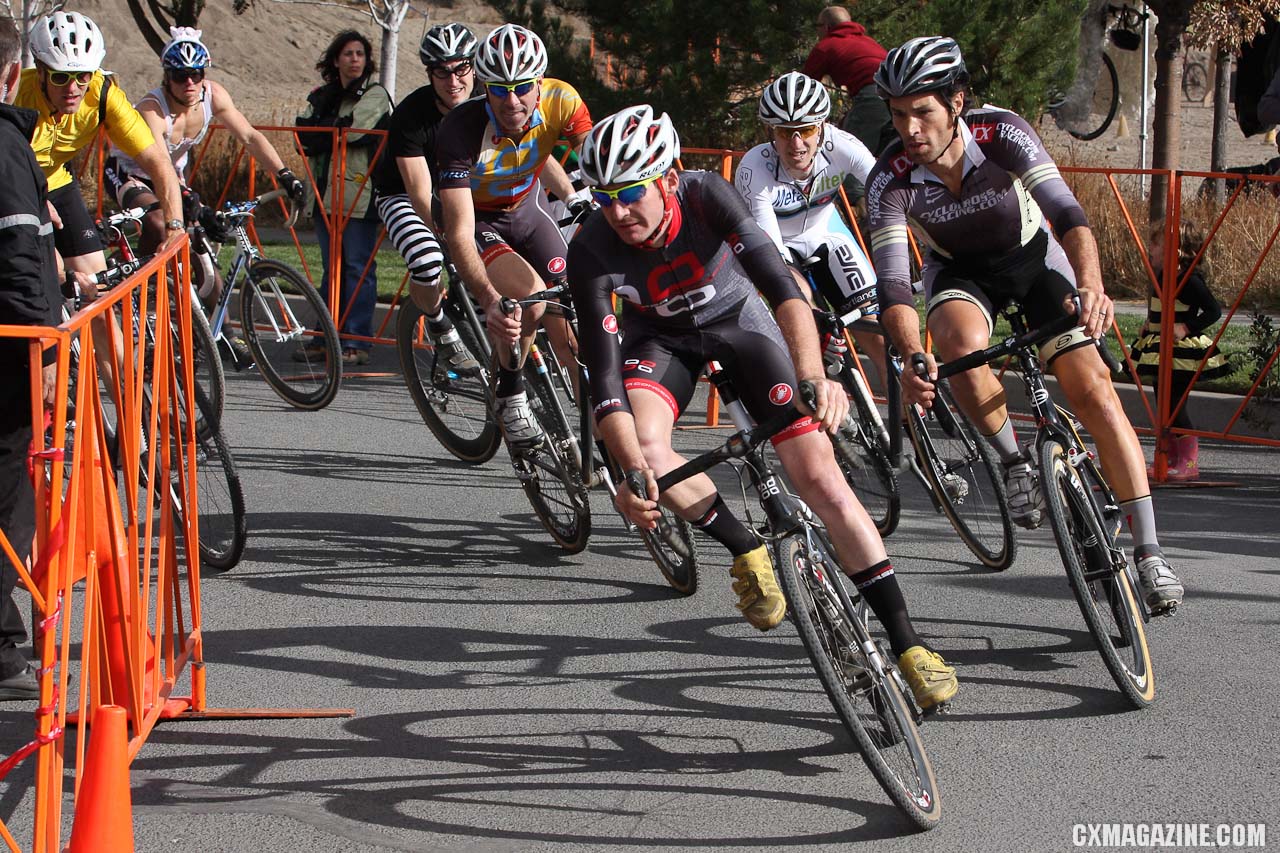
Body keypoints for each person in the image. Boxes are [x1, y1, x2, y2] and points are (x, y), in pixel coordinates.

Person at [568, 105, 959, 711]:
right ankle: (745, 545)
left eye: (630, 193)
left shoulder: (706, 196)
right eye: (604, 197)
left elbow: (782, 290)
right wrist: (633, 475)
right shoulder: (592, 247)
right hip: (662, 341)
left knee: (820, 478)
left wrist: (814, 377)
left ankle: (909, 645)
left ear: (669, 177)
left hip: (740, 324)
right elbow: (606, 381)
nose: (617, 212)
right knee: (647, 450)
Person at [866, 36, 1184, 614]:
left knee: (1092, 389)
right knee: (958, 347)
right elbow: (892, 286)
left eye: (923, 111)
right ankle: (1014, 462)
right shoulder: (889, 178)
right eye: (898, 114)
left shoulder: (1002, 133)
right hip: (962, 276)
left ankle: (1149, 552)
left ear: (956, 101)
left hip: (1035, 260)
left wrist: (1092, 286)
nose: (910, 129)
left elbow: (1067, 214)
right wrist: (914, 353)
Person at [436, 23, 594, 447]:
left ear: (539, 83)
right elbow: (460, 232)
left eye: (523, 87)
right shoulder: (459, 130)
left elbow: (602, 162)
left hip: (527, 211)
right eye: (499, 89)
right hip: (480, 220)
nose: (511, 101)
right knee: (530, 298)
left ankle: (602, 432)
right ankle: (509, 389)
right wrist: (489, 299)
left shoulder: (563, 100)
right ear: (483, 87)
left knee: (570, 312)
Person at [103, 27, 306, 311]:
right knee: (159, 222)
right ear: (166, 77)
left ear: (204, 76)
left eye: (196, 74)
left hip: (173, 177)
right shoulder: (152, 110)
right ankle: (142, 284)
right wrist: (187, 198)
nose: (189, 82)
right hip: (130, 172)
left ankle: (222, 337)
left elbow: (250, 137)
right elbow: (160, 165)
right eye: (179, 75)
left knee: (203, 253)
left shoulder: (213, 96)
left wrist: (285, 174)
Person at [735, 71, 885, 388]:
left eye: (805, 130)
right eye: (785, 132)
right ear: (770, 132)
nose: (796, 143)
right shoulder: (754, 167)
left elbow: (887, 193)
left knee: (877, 333)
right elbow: (773, 254)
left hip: (826, 232)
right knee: (804, 311)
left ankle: (905, 421)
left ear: (821, 127)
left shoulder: (842, 145)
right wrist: (811, 313)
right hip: (781, 245)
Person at [0, 16, 65, 700]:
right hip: (9, 344)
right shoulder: (7, 143)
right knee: (9, 493)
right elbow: (21, 249)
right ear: (16, 73)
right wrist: (43, 349)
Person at [371, 23, 479, 373]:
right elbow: (418, 188)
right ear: (429, 73)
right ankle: (438, 326)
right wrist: (446, 233)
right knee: (429, 259)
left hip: (465, 190)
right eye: (442, 72)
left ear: (473, 66)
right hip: (401, 194)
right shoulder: (410, 115)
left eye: (461, 68)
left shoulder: (488, 102)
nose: (453, 81)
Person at [297, 30, 392, 366]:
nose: (355, 60)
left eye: (360, 54)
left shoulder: (375, 94)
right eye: (348, 54)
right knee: (330, 270)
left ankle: (356, 340)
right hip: (324, 194)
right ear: (335, 59)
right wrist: (330, 130)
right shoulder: (322, 95)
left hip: (359, 195)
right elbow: (304, 135)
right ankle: (325, 337)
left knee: (358, 268)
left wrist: (329, 130)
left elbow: (353, 131)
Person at [1129, 218, 1230, 481]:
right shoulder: (1162, 275)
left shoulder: (1189, 280)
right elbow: (1161, 308)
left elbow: (1214, 311)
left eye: (1156, 243)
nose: (1150, 247)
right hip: (1159, 347)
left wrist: (1186, 327)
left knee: (1175, 405)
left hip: (1180, 353)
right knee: (1162, 406)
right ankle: (1168, 458)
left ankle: (1188, 462)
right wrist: (1149, 324)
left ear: (1177, 249)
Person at [801, 5, 891, 197]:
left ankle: (857, 207)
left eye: (818, 26)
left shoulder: (827, 45)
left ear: (826, 27)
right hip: (897, 98)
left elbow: (804, 86)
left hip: (873, 95)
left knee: (846, 149)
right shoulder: (869, 42)